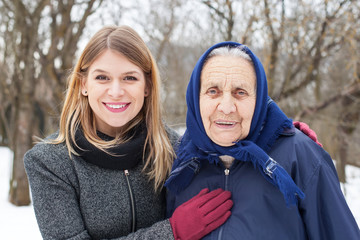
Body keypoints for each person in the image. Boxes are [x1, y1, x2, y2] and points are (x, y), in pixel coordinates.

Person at [24, 26, 234, 240]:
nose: (116, 92)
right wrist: (173, 232)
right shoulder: (49, 163)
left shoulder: (174, 149)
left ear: (147, 86)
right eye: (102, 78)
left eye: (130, 78)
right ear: (83, 84)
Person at [165, 42, 360, 239]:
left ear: (259, 101)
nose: (226, 107)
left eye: (240, 92)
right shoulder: (178, 159)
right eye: (213, 91)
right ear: (195, 98)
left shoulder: (300, 156)